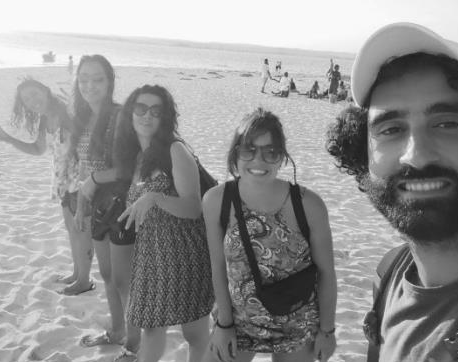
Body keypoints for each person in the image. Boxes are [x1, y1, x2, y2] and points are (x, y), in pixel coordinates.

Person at [326, 22, 458, 361]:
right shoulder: (388, 274)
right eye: (391, 129)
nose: (417, 155)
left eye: (447, 123)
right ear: (365, 160)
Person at [202, 108, 337, 362]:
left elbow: (326, 272)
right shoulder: (216, 201)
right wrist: (223, 324)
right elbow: (217, 266)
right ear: (235, 153)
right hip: (238, 321)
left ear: (282, 157)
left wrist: (327, 331)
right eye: (248, 150)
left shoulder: (308, 204)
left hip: (298, 322)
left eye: (270, 152)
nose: (258, 160)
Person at [117, 85, 214, 362]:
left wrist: (155, 198)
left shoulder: (175, 150)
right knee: (151, 325)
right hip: (152, 254)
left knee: (194, 333)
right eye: (141, 108)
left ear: (165, 117)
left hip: (186, 252)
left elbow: (193, 207)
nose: (147, 115)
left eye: (156, 111)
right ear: (130, 112)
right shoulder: (138, 155)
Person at [0, 78, 93, 294]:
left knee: (82, 231)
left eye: (34, 94)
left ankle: (84, 281)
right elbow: (38, 149)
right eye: (26, 99)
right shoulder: (44, 120)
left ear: (46, 91)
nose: (32, 100)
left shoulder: (67, 112)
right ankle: (77, 274)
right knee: (72, 230)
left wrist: (86, 184)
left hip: (81, 180)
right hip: (63, 181)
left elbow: (89, 143)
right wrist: (9, 139)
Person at [71, 55, 141, 361]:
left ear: (109, 81)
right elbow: (85, 167)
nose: (90, 85)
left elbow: (131, 167)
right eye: (84, 79)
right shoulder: (84, 117)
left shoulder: (120, 116)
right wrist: (81, 205)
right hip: (98, 206)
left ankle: (134, 345)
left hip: (123, 205)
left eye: (97, 79)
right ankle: (116, 331)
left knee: (125, 280)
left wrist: (95, 180)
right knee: (107, 274)